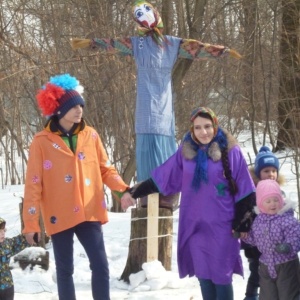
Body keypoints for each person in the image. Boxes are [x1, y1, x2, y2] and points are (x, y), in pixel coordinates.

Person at [71, 0, 241, 209]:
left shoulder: (171, 43)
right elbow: (112, 44)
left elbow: (198, 49)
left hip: (163, 103)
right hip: (144, 103)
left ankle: (167, 189)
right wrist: (89, 43)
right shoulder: (137, 43)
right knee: (146, 140)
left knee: (164, 142)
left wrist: (222, 51)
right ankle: (146, 190)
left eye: (148, 13)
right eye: (140, 15)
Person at [121, 106, 256, 300]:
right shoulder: (186, 152)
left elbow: (245, 188)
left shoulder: (230, 150)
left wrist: (243, 221)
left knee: (221, 275)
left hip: (223, 226)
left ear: (215, 126)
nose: (203, 132)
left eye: (207, 126)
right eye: (198, 127)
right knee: (203, 275)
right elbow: (163, 177)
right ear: (192, 129)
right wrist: (134, 192)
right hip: (194, 226)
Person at [22, 74, 131, 300]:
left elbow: (105, 169)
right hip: (58, 214)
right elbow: (33, 184)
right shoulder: (41, 141)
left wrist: (123, 191)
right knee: (65, 270)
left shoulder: (90, 135)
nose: (79, 109)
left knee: (100, 264)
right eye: (73, 106)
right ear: (59, 110)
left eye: (81, 104)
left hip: (89, 211)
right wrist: (31, 223)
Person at [241, 179, 300, 300]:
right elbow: (255, 239)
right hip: (265, 265)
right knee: (268, 296)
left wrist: (288, 246)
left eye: (276, 200)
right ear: (261, 204)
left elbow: (296, 237)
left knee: (288, 294)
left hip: (286, 265)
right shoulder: (258, 221)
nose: (273, 204)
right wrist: (246, 237)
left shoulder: (287, 220)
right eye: (268, 201)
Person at [241, 146, 285, 300]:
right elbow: (246, 215)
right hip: (256, 244)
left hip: (275, 244)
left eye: (273, 170)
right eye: (266, 171)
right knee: (257, 274)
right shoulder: (252, 192)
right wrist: (246, 235)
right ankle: (251, 297)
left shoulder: (280, 192)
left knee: (275, 275)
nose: (270, 174)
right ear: (259, 173)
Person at [0, 217, 30, 300]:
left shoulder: (6, 244)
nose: (3, 233)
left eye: (3, 230)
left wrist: (30, 234)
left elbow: (19, 241)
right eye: (0, 231)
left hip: (8, 286)